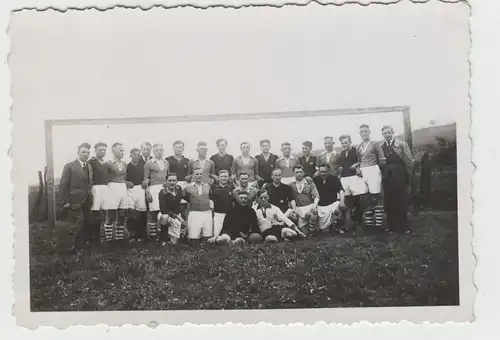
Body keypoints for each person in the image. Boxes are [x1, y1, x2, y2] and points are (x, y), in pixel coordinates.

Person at [59, 142, 94, 251]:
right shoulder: (70, 166)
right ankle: (73, 246)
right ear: (78, 152)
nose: (86, 154)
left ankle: (83, 244)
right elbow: (63, 184)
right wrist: (66, 201)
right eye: (83, 152)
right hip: (75, 199)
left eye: (88, 152)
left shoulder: (88, 166)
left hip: (87, 199)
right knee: (76, 222)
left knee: (87, 221)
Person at [380, 125, 414, 233]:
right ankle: (391, 227)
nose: (387, 135)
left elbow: (409, 161)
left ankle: (404, 227)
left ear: (392, 132)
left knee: (401, 201)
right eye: (385, 133)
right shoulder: (381, 146)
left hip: (399, 176)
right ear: (382, 134)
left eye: (389, 132)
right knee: (389, 201)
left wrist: (408, 175)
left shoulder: (401, 144)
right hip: (386, 177)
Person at [356, 124, 386, 229]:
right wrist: (358, 169)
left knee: (376, 196)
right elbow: (359, 161)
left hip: (373, 170)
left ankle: (379, 223)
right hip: (363, 173)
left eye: (365, 131)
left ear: (369, 132)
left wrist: (376, 170)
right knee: (365, 196)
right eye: (362, 131)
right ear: (360, 134)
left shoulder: (375, 144)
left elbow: (382, 160)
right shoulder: (359, 147)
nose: (364, 133)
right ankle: (369, 223)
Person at [103, 142, 129, 245]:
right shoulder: (108, 163)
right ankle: (109, 240)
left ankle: (119, 240)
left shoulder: (124, 164)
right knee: (110, 214)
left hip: (122, 188)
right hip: (112, 188)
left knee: (122, 214)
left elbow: (124, 178)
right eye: (120, 150)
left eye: (123, 150)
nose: (122, 152)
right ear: (113, 150)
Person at [338, 134, 366, 225]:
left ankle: (359, 222)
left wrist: (357, 164)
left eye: (346, 142)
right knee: (348, 200)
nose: (344, 144)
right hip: (345, 178)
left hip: (354, 177)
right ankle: (351, 221)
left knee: (357, 200)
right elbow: (341, 165)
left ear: (350, 142)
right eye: (343, 143)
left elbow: (364, 160)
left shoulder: (356, 151)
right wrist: (340, 169)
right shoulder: (342, 153)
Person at [143, 143, 170, 241]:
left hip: (164, 189)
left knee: (164, 212)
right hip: (153, 189)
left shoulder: (166, 162)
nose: (159, 152)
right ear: (153, 152)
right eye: (157, 150)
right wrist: (147, 193)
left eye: (161, 150)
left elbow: (168, 177)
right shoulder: (149, 163)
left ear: (163, 151)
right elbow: (146, 179)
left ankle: (162, 236)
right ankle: (152, 237)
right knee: (153, 213)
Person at [184, 167, 214, 242]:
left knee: (208, 236)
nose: (199, 175)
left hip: (206, 212)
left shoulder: (207, 186)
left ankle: (206, 251)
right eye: (197, 174)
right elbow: (185, 198)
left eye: (201, 174)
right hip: (194, 212)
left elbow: (210, 197)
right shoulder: (187, 187)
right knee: (194, 237)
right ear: (193, 175)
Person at [87, 142, 109, 245]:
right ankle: (93, 238)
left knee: (103, 213)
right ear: (95, 150)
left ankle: (102, 236)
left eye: (104, 150)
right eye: (100, 150)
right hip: (95, 188)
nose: (103, 152)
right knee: (94, 213)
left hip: (104, 188)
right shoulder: (91, 162)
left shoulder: (105, 163)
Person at [314, 163, 345, 232]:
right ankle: (327, 226)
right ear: (319, 171)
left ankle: (337, 225)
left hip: (332, 204)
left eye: (325, 171)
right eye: (321, 172)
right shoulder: (316, 179)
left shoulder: (334, 179)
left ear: (329, 171)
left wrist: (342, 202)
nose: (323, 174)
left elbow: (341, 191)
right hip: (320, 206)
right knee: (325, 231)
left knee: (338, 209)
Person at [289, 165, 319, 235]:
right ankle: (304, 227)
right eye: (297, 172)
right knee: (304, 233)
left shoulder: (309, 183)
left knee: (314, 212)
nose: (299, 174)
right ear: (293, 173)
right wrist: (293, 209)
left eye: (300, 172)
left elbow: (316, 196)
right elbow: (290, 199)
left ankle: (312, 229)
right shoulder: (290, 185)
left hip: (309, 206)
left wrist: (314, 206)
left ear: (303, 173)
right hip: (298, 208)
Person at [126, 148, 148, 242]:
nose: (137, 156)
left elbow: (148, 177)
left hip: (141, 189)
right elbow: (121, 178)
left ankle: (141, 235)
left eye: (138, 154)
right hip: (130, 190)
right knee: (131, 212)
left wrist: (146, 181)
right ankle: (132, 235)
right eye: (134, 154)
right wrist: (126, 182)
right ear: (130, 155)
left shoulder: (143, 166)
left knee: (141, 213)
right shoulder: (127, 166)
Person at [158, 173, 186, 245]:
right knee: (165, 217)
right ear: (166, 181)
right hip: (166, 214)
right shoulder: (162, 192)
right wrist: (176, 216)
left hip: (176, 214)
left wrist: (181, 216)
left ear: (177, 181)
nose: (172, 182)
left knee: (174, 242)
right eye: (170, 180)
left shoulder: (179, 189)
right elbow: (163, 209)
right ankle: (163, 239)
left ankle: (172, 235)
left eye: (174, 180)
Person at [209, 170, 235, 240]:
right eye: (222, 176)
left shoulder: (231, 188)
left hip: (229, 214)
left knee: (228, 233)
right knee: (217, 234)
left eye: (225, 176)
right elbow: (210, 201)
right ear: (218, 178)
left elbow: (233, 201)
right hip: (217, 214)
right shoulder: (213, 187)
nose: (224, 178)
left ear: (228, 178)